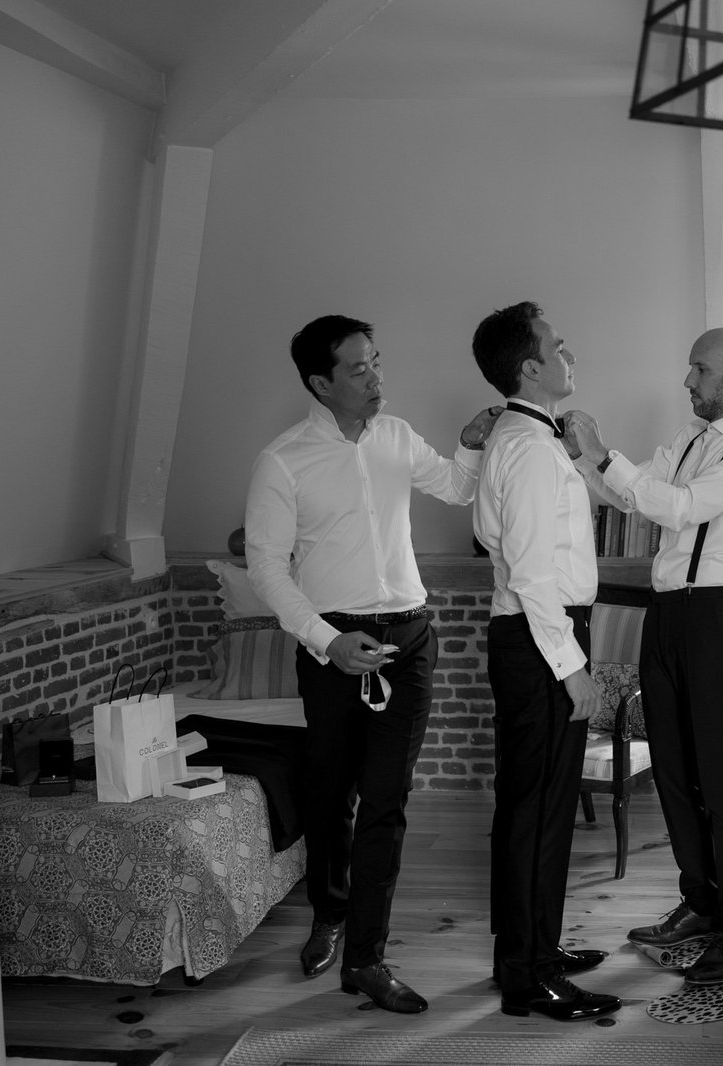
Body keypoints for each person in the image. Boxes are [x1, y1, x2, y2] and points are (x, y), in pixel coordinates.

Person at [245, 314, 501, 1013]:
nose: (376, 377)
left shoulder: (395, 437)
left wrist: (472, 445)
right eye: (359, 369)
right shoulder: (283, 460)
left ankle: (366, 957)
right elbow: (266, 566)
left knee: (386, 804)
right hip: (333, 648)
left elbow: (455, 487)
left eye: (377, 362)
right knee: (331, 796)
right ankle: (330, 910)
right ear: (320, 382)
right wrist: (327, 641)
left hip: (409, 641)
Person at [564, 327, 723, 987]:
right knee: (671, 768)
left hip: (717, 617)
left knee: (716, 775)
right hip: (666, 614)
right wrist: (584, 457)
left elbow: (681, 507)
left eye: (700, 369)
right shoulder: (690, 438)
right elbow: (629, 492)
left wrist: (607, 456)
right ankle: (699, 900)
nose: (688, 381)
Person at [469, 301, 621, 1022]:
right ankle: (529, 977)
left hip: (533, 635)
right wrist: (572, 667)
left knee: (531, 809)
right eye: (559, 347)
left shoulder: (525, 438)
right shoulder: (527, 449)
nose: (571, 356)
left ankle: (529, 951)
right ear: (531, 367)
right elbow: (531, 575)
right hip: (542, 640)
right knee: (540, 813)